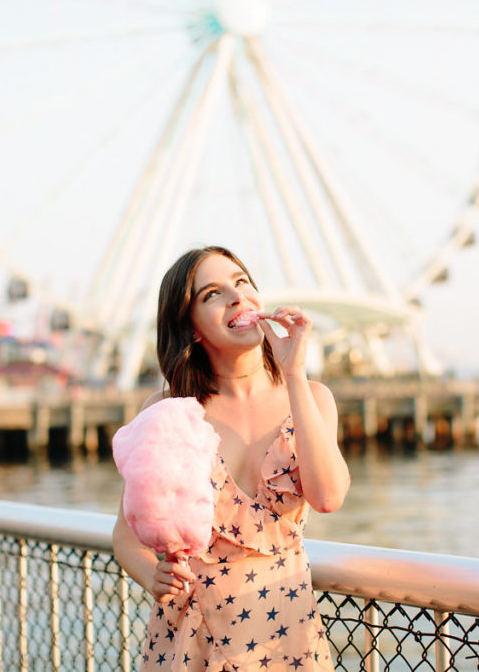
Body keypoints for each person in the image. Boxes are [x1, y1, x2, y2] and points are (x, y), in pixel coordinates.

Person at [113, 245, 350, 672]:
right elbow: (126, 536)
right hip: (190, 637)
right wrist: (152, 575)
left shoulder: (313, 398)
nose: (237, 296)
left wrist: (294, 373)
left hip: (286, 639)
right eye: (212, 294)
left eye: (241, 282)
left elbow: (329, 496)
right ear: (192, 328)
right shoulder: (169, 411)